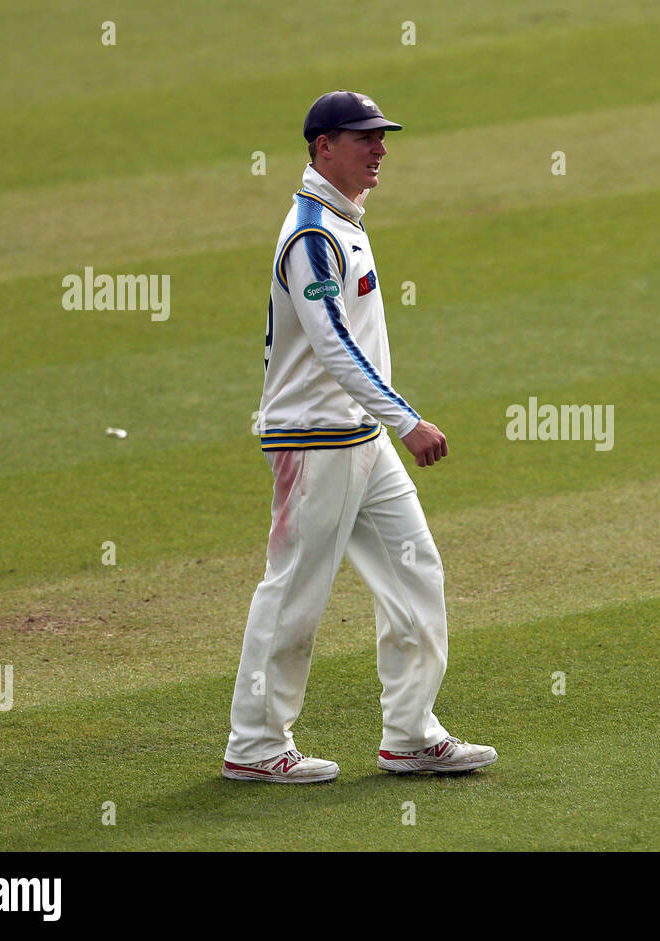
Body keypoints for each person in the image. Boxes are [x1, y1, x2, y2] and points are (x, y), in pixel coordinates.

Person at [221, 90, 497, 782]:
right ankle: (254, 745)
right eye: (362, 138)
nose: (379, 150)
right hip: (316, 440)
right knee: (293, 593)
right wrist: (408, 420)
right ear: (322, 147)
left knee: (415, 569)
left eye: (381, 137)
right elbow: (333, 345)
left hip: (358, 436)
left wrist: (385, 423)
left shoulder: (344, 220)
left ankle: (410, 732)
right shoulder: (311, 234)